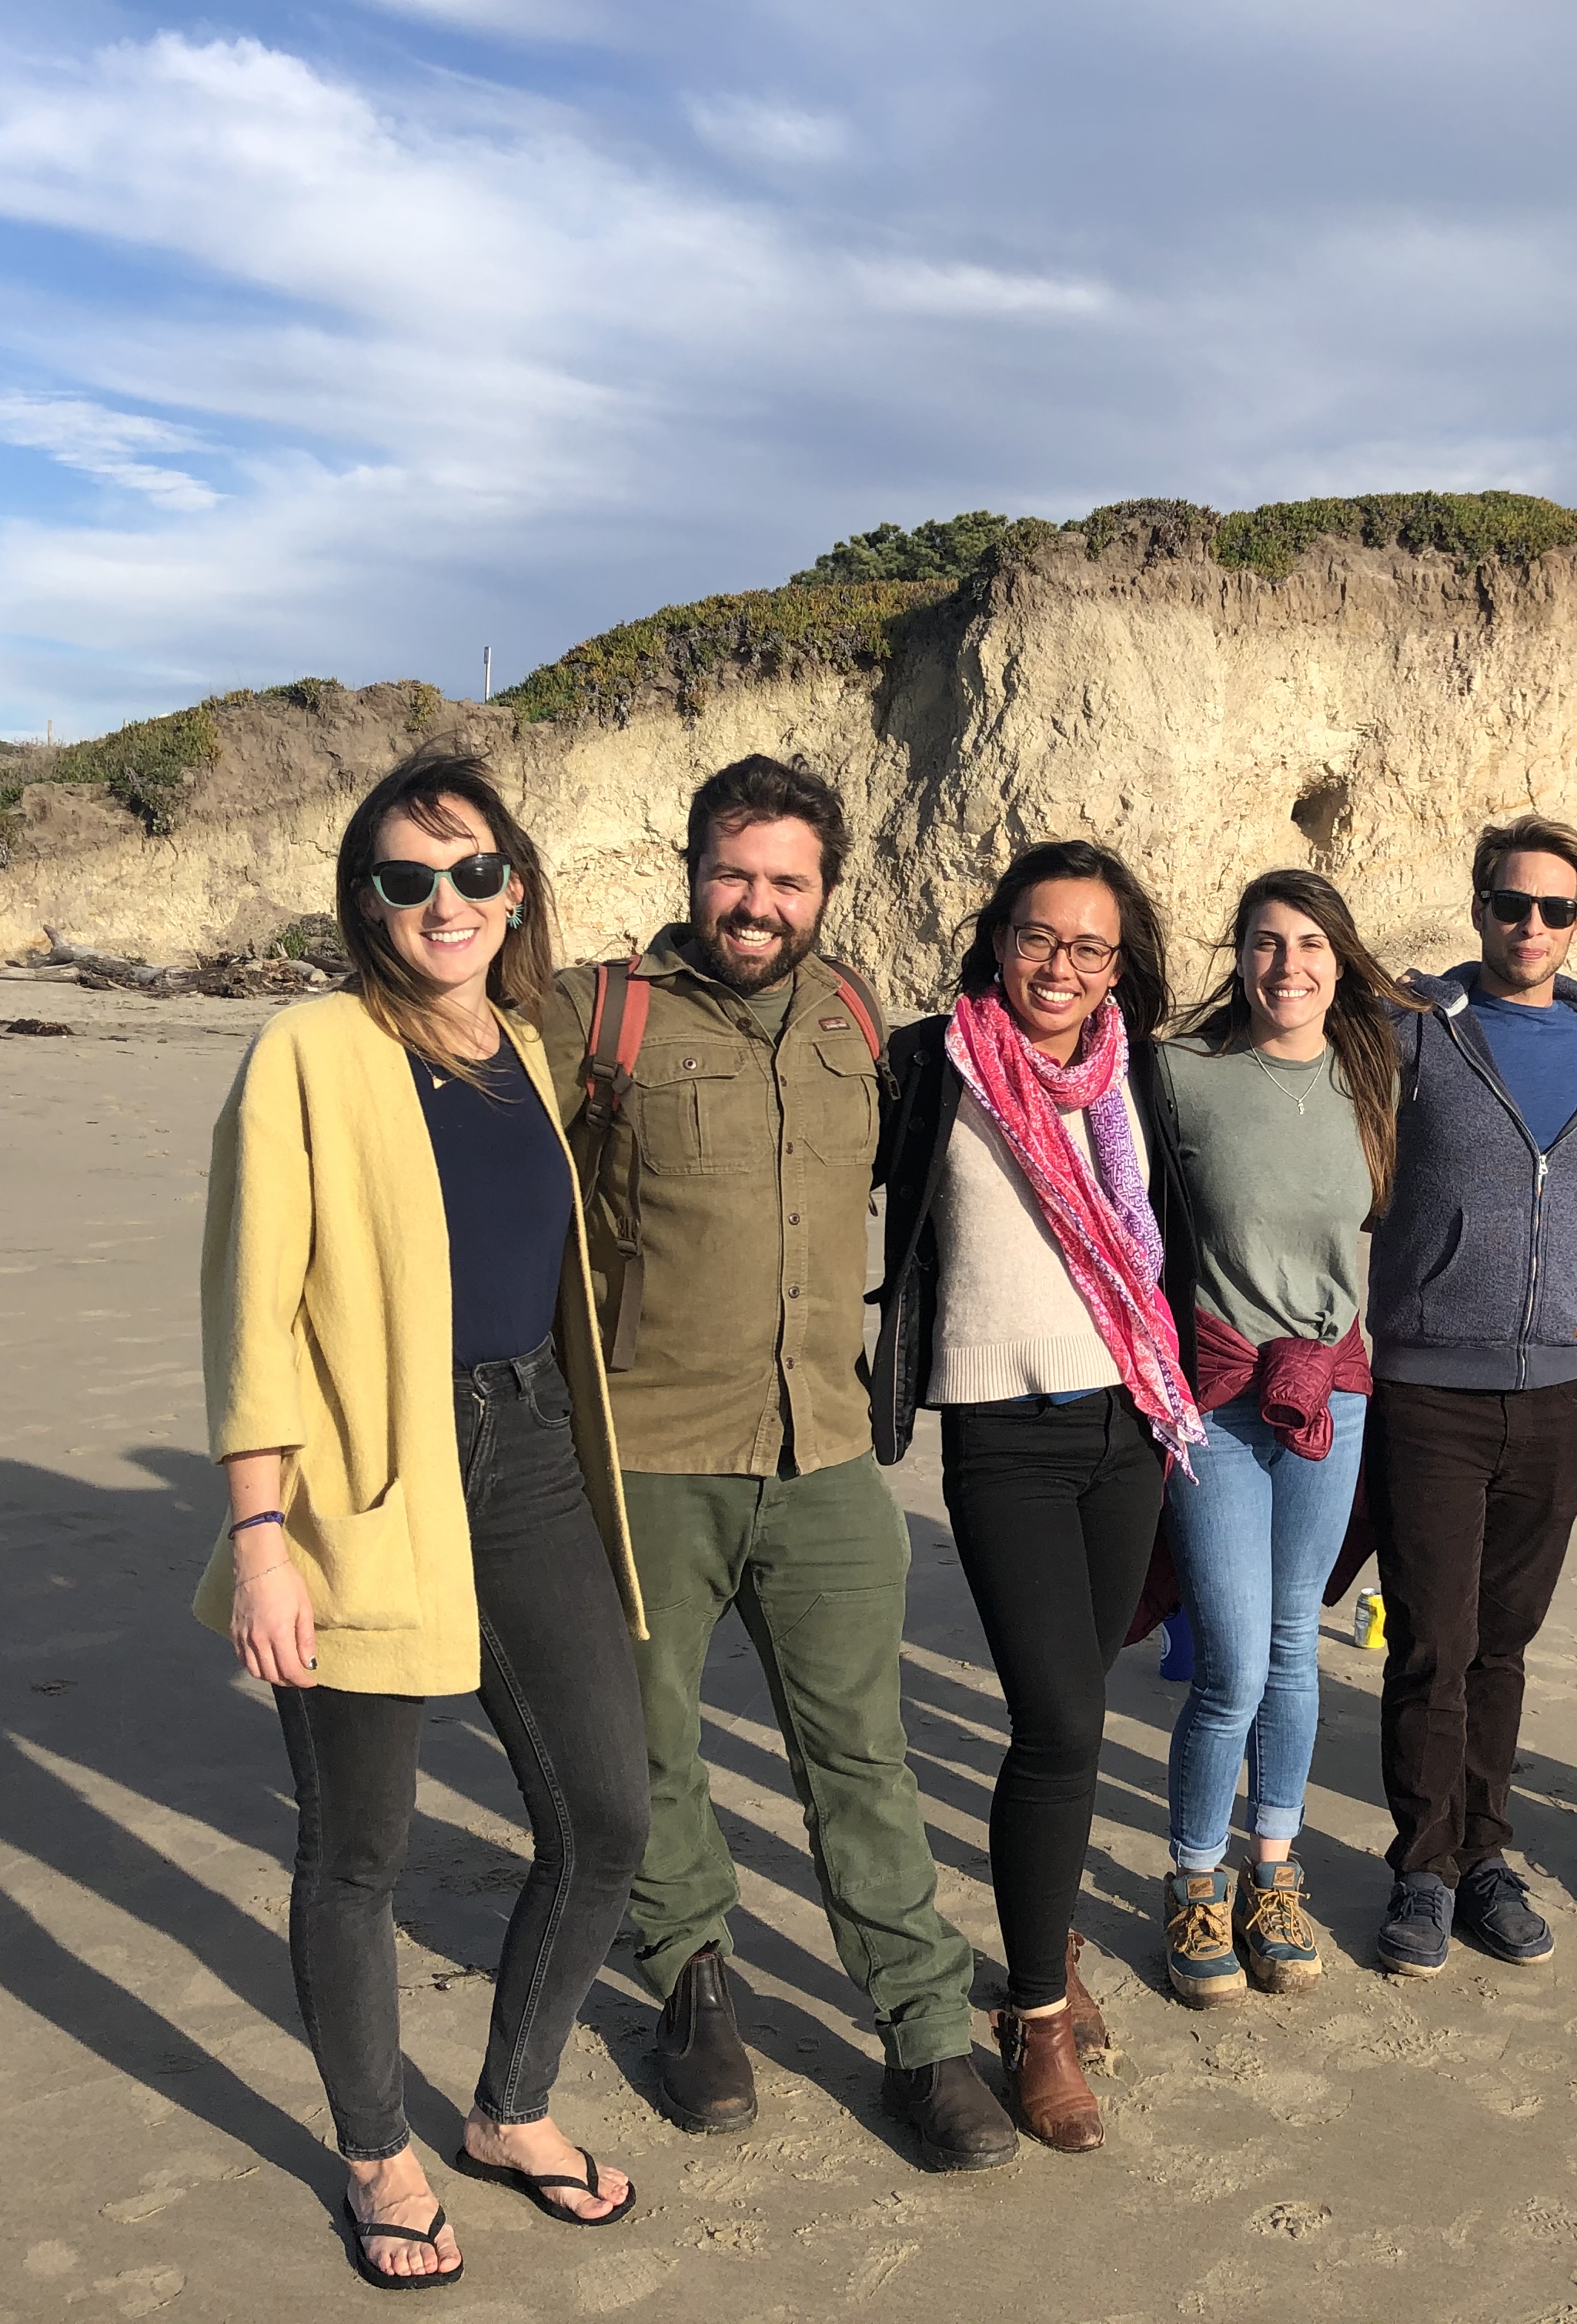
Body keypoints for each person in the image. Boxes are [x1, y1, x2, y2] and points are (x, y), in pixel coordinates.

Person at [199, 753, 650, 2289]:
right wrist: (262, 1532)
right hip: (361, 1477)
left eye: (467, 874)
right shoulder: (312, 1047)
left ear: (514, 886)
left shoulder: (523, 1044)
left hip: (528, 1449)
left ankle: (509, 2108)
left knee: (606, 1811)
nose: (439, 903)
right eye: (404, 879)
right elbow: (252, 1303)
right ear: (365, 899)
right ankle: (376, 2147)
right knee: (360, 1849)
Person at [539, 756, 1011, 2172]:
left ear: (824, 891)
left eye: (787, 881)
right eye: (734, 874)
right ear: (692, 874)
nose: (757, 904)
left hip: (826, 1452)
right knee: (655, 1746)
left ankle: (925, 2035)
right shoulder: (594, 1011)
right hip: (648, 1452)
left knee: (861, 1756)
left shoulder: (857, 1018)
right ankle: (693, 1980)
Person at [871, 840, 1197, 2152]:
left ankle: (1037, 1915)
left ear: (1121, 964)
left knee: (1084, 1704)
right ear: (996, 939)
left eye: (1090, 947)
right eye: (1037, 938)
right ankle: (1037, 2012)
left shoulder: (1140, 1074)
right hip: (999, 1435)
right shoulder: (926, 1063)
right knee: (1057, 1721)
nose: (1060, 968)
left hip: (1126, 1423)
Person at [1362, 815, 1577, 1977]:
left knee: (1506, 1645)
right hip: (1428, 1386)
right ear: (1476, 908)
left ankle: (1484, 1855)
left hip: (1558, 1387)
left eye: (1555, 909)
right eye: (1510, 904)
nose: (1531, 927)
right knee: (1433, 1640)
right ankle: (1421, 1867)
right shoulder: (1415, 1029)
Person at [1148, 870, 1416, 2005]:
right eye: (1265, 944)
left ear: (1341, 959)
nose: (1288, 966)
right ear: (1239, 956)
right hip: (1215, 1397)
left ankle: (1274, 1870)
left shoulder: (1374, 1074)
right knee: (1231, 1659)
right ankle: (1195, 1883)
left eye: (1310, 944)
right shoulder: (1185, 1075)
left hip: (1335, 1392)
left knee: (1297, 1646)